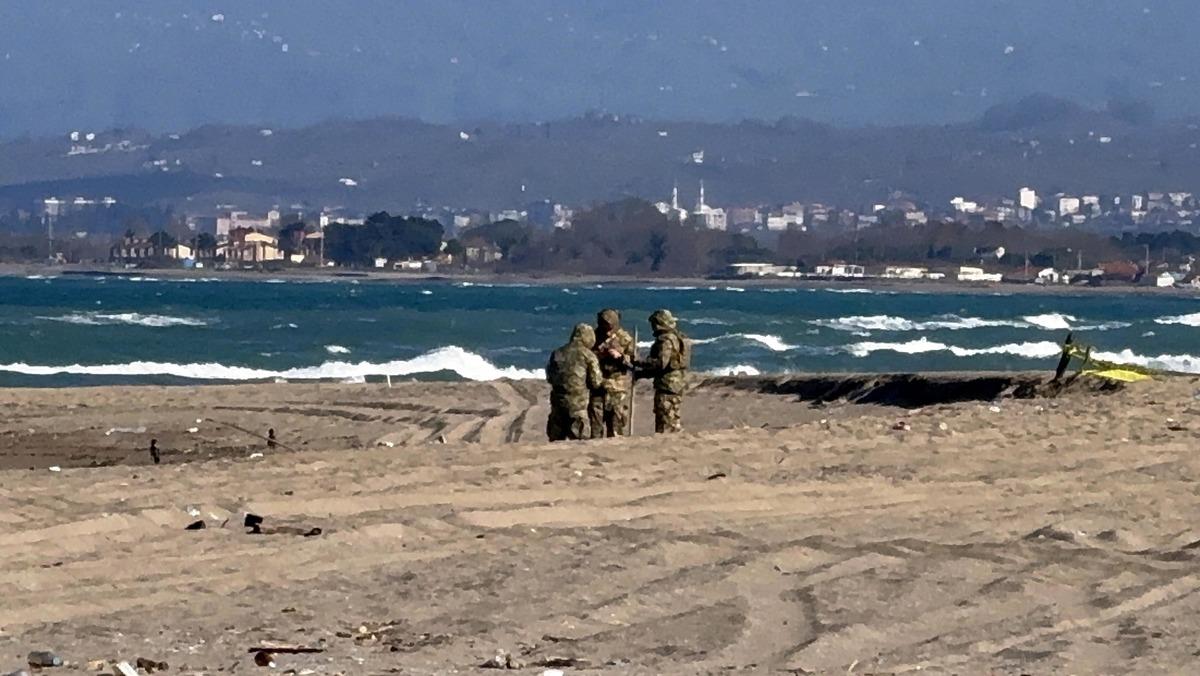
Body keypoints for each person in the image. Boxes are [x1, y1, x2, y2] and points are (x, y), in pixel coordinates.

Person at [545, 323, 603, 441]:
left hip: (558, 404)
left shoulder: (557, 353)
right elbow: (596, 382)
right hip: (578, 406)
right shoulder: (588, 355)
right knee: (579, 442)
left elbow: (550, 377)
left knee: (555, 442)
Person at [636, 309, 690, 433]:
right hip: (677, 384)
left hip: (667, 386)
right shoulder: (678, 337)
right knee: (673, 419)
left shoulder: (665, 340)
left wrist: (640, 362)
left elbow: (660, 364)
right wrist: (642, 374)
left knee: (666, 423)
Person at [590, 308, 638, 438]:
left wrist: (620, 357)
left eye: (609, 325)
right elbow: (586, 356)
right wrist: (600, 354)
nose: (606, 328)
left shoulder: (625, 338)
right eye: (604, 325)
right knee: (595, 423)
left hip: (617, 385)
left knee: (616, 423)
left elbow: (634, 363)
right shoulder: (593, 337)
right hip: (598, 383)